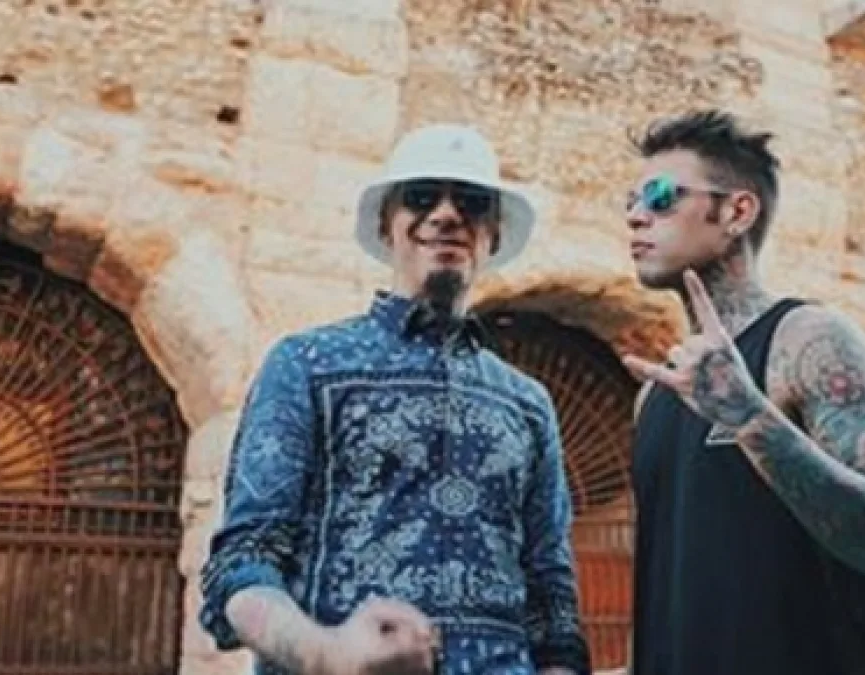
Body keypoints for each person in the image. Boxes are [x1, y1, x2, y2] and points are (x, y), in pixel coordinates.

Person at [198, 124, 592, 675]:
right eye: (422, 197)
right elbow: (243, 563)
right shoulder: (305, 364)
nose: (447, 215)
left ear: (494, 233)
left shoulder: (528, 405)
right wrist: (325, 652)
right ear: (387, 224)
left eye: (472, 202)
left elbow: (551, 593)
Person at [612, 109, 865, 674]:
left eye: (661, 197)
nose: (637, 217)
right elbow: (666, 584)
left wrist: (750, 417)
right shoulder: (656, 396)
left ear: (737, 212)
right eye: (631, 201)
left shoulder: (811, 342)